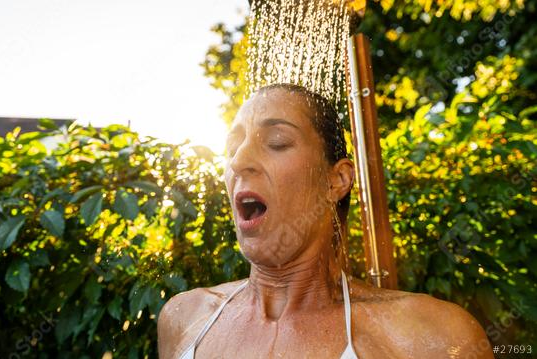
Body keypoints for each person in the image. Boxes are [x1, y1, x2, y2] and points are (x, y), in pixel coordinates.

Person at [158, 84, 494, 359]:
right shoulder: (186, 320)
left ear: (336, 180)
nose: (239, 160)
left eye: (276, 142)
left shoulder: (432, 340)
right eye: (233, 146)